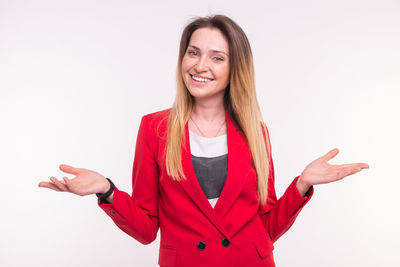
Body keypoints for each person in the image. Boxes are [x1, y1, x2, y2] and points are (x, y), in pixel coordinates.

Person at [38, 14, 369, 267]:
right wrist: (106, 189)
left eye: (217, 57)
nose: (200, 65)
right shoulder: (154, 128)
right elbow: (145, 230)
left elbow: (266, 227)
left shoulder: (256, 131)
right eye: (193, 53)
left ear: (234, 68)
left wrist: (302, 185)